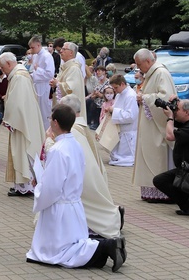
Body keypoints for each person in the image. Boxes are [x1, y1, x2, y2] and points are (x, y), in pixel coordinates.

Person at [26, 104, 126, 272]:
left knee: (60, 252)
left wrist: (39, 188)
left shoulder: (58, 150)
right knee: (74, 243)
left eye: (51, 119)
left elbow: (53, 187)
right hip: (74, 204)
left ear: (56, 123)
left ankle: (107, 246)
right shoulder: (75, 144)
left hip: (60, 207)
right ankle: (107, 247)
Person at [51, 95, 123, 238]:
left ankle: (110, 217)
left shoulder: (74, 131)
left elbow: (61, 156)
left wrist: (48, 141)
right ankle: (113, 213)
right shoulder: (81, 125)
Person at [132, 48, 177, 202]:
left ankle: (161, 192)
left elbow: (165, 98)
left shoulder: (160, 73)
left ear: (148, 61)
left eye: (139, 64)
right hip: (149, 124)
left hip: (157, 126)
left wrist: (144, 98)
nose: (139, 68)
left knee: (157, 156)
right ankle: (150, 191)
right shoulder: (151, 73)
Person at [0, 52, 45, 197]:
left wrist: (9, 119)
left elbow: (17, 103)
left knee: (24, 151)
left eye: (2, 67)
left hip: (22, 123)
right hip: (25, 120)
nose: (2, 70)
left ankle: (27, 185)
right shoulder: (20, 74)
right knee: (21, 151)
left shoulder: (19, 77)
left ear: (9, 64)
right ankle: (21, 185)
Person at [100, 75, 138, 167]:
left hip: (128, 131)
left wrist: (114, 111)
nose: (115, 90)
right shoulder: (119, 95)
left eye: (116, 87)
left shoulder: (131, 95)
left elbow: (131, 116)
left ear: (122, 84)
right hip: (119, 129)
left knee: (127, 157)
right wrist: (110, 110)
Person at [50, 42, 87, 121]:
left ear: (71, 52)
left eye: (64, 49)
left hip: (70, 109)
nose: (61, 51)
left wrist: (57, 84)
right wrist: (55, 83)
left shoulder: (74, 69)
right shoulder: (67, 67)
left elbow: (71, 89)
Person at [28, 35, 54, 130]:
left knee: (44, 112)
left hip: (44, 87)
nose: (31, 50)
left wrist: (37, 70)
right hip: (36, 86)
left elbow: (50, 74)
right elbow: (33, 71)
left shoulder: (47, 56)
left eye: (32, 47)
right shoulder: (35, 56)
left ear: (38, 45)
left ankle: (46, 133)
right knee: (36, 111)